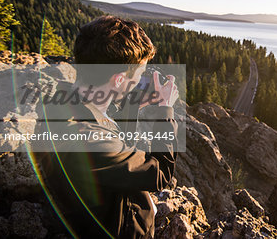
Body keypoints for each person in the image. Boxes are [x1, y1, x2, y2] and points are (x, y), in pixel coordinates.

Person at [34, 16, 178, 238]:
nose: (139, 82)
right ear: (119, 79)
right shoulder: (91, 142)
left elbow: (118, 145)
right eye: (139, 75)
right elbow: (159, 173)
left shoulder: (59, 103)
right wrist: (164, 111)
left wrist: (132, 105)